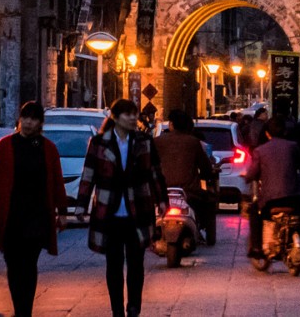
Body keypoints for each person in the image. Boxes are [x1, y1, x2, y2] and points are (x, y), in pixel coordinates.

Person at [74, 99, 166, 317]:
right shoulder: (99, 143)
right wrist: (81, 205)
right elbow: (89, 175)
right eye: (127, 114)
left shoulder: (144, 141)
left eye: (134, 114)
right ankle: (117, 309)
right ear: (115, 118)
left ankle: (134, 306)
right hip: (110, 211)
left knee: (136, 263)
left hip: (138, 210)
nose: (133, 118)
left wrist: (162, 199)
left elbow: (155, 171)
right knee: (113, 264)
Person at [0, 102, 66, 317]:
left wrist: (62, 211)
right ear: (19, 120)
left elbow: (56, 180)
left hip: (36, 215)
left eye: (33, 118)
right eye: (25, 117)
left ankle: (24, 310)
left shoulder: (48, 149)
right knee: (13, 262)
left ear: (40, 123)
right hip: (11, 214)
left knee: (28, 263)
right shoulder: (5, 145)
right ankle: (20, 306)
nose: (28, 122)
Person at [242, 115, 300, 259]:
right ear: (284, 131)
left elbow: (252, 173)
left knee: (254, 211)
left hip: (271, 200)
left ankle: (256, 248)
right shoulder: (293, 147)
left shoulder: (260, 151)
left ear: (267, 133)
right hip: (294, 198)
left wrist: (246, 176)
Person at [152, 110, 218, 244]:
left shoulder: (156, 142)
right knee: (209, 202)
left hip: (159, 192)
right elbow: (205, 168)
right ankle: (201, 230)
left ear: (171, 124)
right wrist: (209, 174)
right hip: (189, 193)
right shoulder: (193, 142)